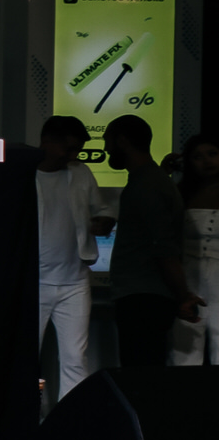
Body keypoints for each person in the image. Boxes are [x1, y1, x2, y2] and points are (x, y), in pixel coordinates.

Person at [104, 113, 202, 369]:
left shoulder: (147, 185)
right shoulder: (150, 181)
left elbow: (164, 248)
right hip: (146, 296)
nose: (105, 149)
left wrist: (183, 296)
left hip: (143, 299)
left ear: (122, 141)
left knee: (141, 375)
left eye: (107, 141)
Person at [32, 113, 110, 401]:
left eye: (77, 149)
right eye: (69, 148)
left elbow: (101, 209)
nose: (73, 155)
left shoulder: (80, 172)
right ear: (47, 142)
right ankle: (27, 419)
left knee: (76, 359)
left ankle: (71, 421)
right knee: (27, 357)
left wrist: (105, 221)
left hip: (75, 281)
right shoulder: (24, 174)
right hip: (35, 282)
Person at [176, 134, 219, 365]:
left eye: (212, 154)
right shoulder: (181, 193)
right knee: (185, 346)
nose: (207, 161)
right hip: (188, 274)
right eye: (198, 157)